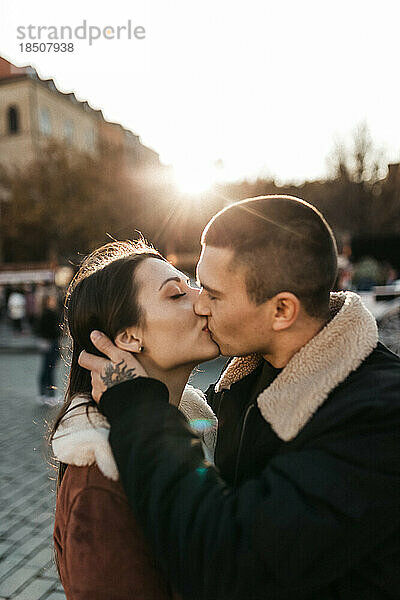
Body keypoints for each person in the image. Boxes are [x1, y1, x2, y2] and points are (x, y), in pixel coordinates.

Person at [80, 196, 400, 600]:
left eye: (213, 294)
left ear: (282, 310)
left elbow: (226, 563)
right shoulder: (248, 379)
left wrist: (138, 407)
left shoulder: (378, 417)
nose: (199, 303)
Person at [50, 240, 218, 600]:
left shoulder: (198, 427)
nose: (202, 300)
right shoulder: (101, 475)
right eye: (176, 295)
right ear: (129, 337)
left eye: (193, 286)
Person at [37, 293, 62, 404]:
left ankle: (44, 394)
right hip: (51, 343)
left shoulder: (44, 313)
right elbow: (53, 330)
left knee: (47, 369)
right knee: (49, 369)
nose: (53, 301)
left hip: (48, 343)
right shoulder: (49, 314)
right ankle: (50, 395)